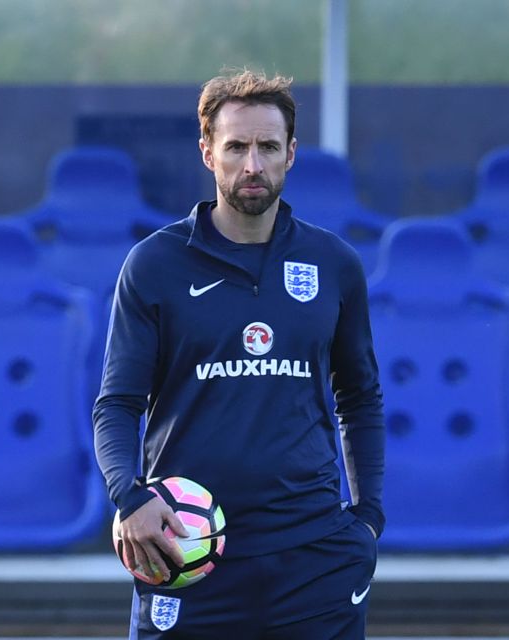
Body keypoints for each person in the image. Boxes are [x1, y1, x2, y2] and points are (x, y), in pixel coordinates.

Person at [92, 69, 385, 639]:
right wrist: (129, 499)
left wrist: (368, 517)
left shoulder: (334, 264)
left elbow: (360, 397)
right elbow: (117, 405)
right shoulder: (155, 265)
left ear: (291, 154)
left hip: (314, 553)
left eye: (268, 147)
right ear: (207, 152)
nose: (253, 165)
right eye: (236, 147)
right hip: (188, 550)